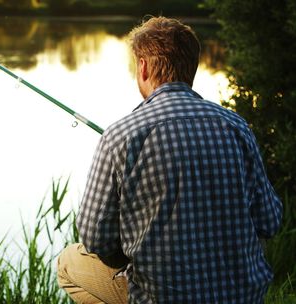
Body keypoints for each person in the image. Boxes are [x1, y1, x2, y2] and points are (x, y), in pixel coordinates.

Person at [57, 16, 283, 304]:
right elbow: (271, 221)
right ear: (192, 68)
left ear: (144, 67)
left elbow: (95, 238)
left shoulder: (120, 135)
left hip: (160, 298)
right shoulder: (237, 126)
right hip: (242, 298)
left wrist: (130, 251)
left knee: (67, 263)